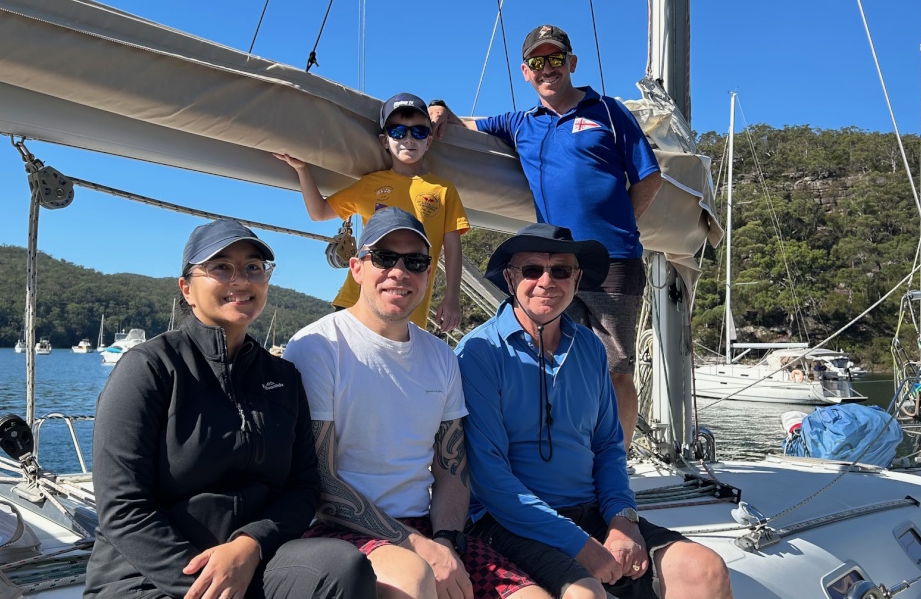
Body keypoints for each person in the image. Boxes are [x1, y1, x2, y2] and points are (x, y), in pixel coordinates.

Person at [86, 219, 376, 599]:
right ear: (187, 288)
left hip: (251, 563)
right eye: (221, 267)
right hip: (149, 577)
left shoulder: (283, 378)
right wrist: (212, 586)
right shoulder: (150, 368)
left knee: (342, 567)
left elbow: (304, 486)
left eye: (253, 267)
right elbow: (123, 507)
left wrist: (251, 543)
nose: (241, 280)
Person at [455, 224, 733, 599]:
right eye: (532, 269)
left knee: (705, 570)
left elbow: (607, 448)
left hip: (591, 513)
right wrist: (579, 544)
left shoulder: (589, 346)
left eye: (561, 271)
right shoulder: (479, 352)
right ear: (509, 278)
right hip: (508, 522)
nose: (546, 281)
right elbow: (489, 479)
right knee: (586, 595)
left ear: (577, 279)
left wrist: (622, 518)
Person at [283, 207, 547, 599]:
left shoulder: (441, 357)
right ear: (357, 268)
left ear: (428, 273)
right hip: (342, 530)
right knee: (414, 578)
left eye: (415, 262)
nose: (399, 271)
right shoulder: (318, 348)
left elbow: (451, 470)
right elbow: (322, 482)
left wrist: (445, 541)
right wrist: (417, 547)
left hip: (428, 528)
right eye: (384, 258)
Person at [431, 25, 663, 451]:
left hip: (615, 260)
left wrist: (623, 225)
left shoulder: (608, 112)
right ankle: (565, 455)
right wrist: (439, 111)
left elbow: (649, 177)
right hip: (554, 265)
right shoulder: (521, 123)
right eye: (537, 62)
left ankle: (617, 464)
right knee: (556, 361)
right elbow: (468, 124)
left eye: (555, 58)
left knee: (617, 368)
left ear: (571, 63)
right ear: (525, 72)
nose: (547, 68)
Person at [275, 92, 469, 333]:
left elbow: (452, 247)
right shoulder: (369, 185)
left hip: (408, 308)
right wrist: (302, 170)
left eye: (418, 132)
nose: (408, 139)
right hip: (355, 301)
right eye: (398, 131)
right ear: (384, 141)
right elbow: (319, 212)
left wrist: (452, 297)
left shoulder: (443, 190)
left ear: (428, 141)